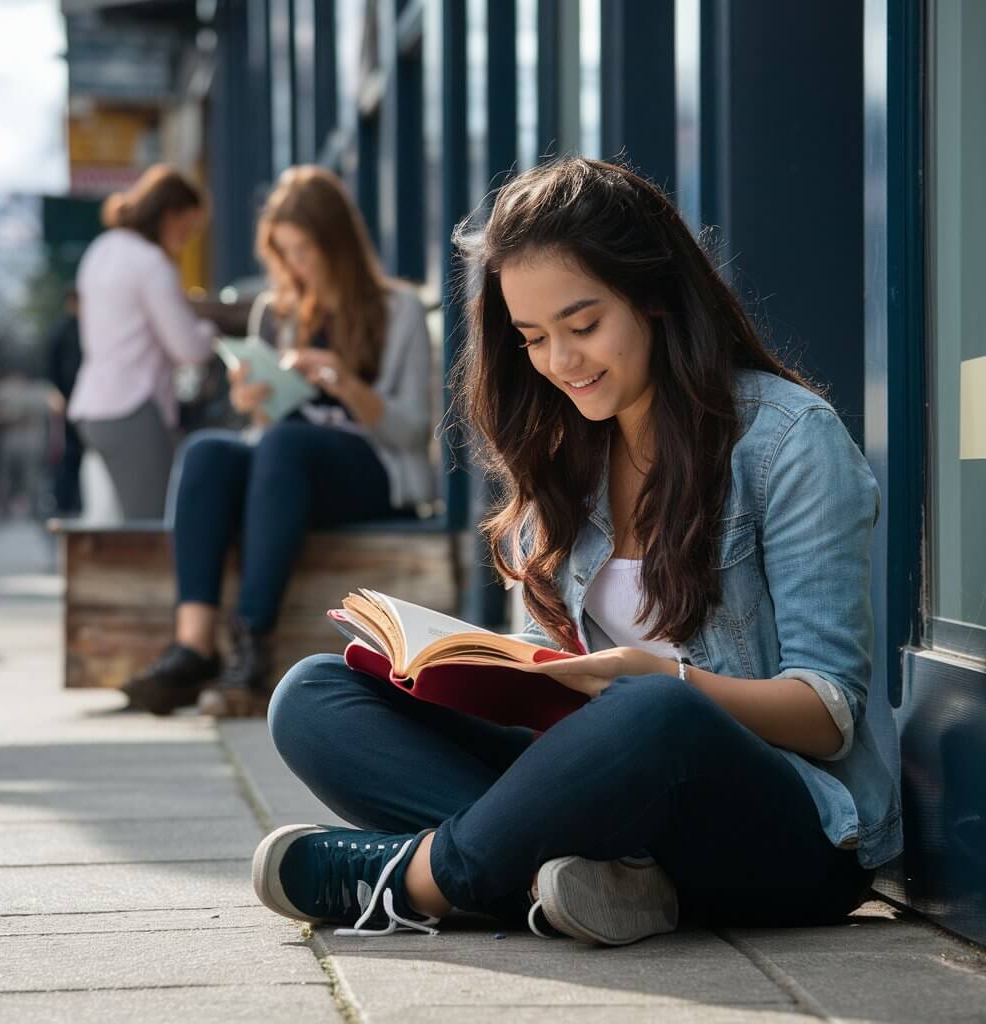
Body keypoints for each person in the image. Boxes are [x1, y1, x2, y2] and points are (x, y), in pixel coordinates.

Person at [253, 158, 902, 946]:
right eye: (532, 338)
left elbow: (829, 715)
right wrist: (485, 674)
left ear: (654, 296)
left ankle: (421, 880)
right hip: (606, 793)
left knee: (655, 711)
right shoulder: (564, 459)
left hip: (792, 833)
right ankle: (574, 884)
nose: (561, 362)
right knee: (315, 692)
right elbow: (549, 686)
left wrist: (660, 677)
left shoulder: (789, 441)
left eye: (583, 325)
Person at [121, 165, 434, 718]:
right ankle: (193, 646)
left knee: (287, 445)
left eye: (304, 250)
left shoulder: (399, 309)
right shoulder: (277, 309)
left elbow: (411, 428)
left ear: (336, 242)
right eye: (283, 252)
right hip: (287, 464)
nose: (294, 266)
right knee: (208, 453)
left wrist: (344, 382)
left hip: (371, 465)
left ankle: (251, 644)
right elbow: (267, 430)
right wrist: (253, 403)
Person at [67, 165, 217, 519]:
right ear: (169, 214)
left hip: (92, 409)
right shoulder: (151, 264)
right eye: (187, 228)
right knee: (151, 531)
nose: (188, 239)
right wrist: (211, 331)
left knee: (110, 529)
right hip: (132, 408)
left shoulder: (101, 249)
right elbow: (188, 349)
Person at [45, 288, 83, 516]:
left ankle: (76, 502)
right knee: (68, 453)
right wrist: (55, 393)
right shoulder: (61, 330)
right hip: (67, 399)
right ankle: (63, 503)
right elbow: (52, 365)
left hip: (87, 399)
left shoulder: (88, 326)